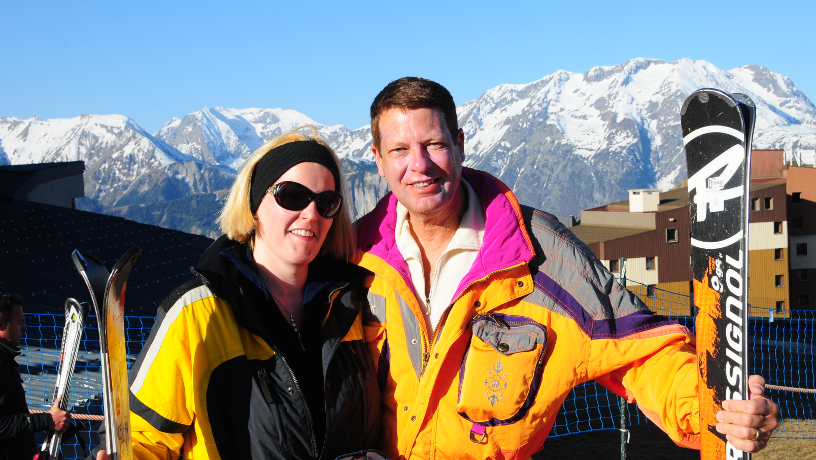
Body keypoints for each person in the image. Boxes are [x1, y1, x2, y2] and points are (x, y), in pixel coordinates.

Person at [354, 77, 779, 459]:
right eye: (399, 150)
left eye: (434, 144)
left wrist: (716, 408)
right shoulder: (356, 260)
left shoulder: (543, 257)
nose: (420, 165)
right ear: (377, 159)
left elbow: (642, 354)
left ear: (460, 144)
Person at [96, 127, 381, 459]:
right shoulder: (198, 313)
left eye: (326, 203)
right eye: (292, 196)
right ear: (255, 204)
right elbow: (143, 438)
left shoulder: (351, 305)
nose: (311, 214)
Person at [0, 292, 71, 460]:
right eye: (19, 323)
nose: (24, 329)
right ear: (1, 323)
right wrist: (46, 420)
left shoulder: (5, 360)